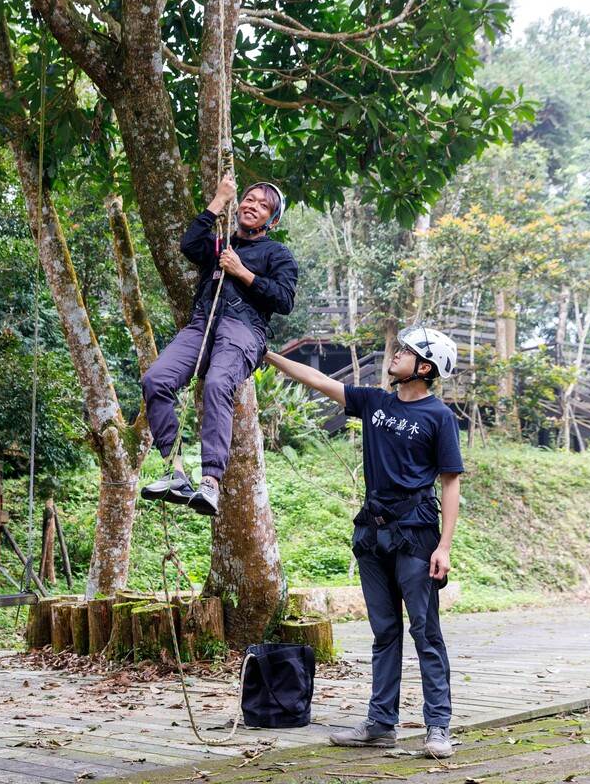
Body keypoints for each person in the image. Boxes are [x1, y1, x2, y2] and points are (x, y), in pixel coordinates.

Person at [264, 327, 463, 758]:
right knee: (384, 632)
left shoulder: (439, 417)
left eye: (407, 352)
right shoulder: (376, 402)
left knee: (425, 632)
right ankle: (380, 724)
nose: (396, 355)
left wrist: (444, 546)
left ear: (424, 368)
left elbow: (450, 484)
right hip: (372, 532)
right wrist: (268, 355)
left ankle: (439, 727)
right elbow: (317, 380)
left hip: (416, 534)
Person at [139, 174, 298, 515]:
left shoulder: (277, 254)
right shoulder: (218, 246)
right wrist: (219, 200)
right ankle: (176, 472)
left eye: (263, 205)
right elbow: (188, 245)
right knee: (155, 380)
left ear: (272, 220)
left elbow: (284, 299)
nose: (252, 206)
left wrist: (243, 273)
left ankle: (210, 481)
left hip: (243, 329)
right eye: (249, 199)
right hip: (203, 325)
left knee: (217, 383)